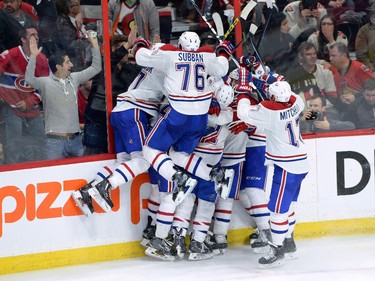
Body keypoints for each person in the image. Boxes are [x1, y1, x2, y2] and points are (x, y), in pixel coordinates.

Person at [133, 31, 234, 258]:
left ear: (179, 44)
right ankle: (214, 175)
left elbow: (140, 57)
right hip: (199, 117)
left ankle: (177, 177)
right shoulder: (207, 56)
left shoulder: (171, 55)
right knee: (180, 154)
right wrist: (223, 50)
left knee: (150, 148)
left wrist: (140, 43)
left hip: (178, 114)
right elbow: (222, 66)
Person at [71, 44, 166, 216]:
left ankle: (86, 191)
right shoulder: (163, 72)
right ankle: (105, 186)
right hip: (134, 113)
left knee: (123, 160)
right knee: (143, 160)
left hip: (119, 111)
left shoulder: (148, 69)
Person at [237, 81, 309, 268]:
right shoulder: (297, 102)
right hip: (301, 162)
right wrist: (265, 82)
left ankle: (277, 251)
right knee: (289, 207)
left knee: (277, 211)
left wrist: (244, 92)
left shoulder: (270, 112)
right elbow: (282, 99)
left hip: (286, 166)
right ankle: (289, 243)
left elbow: (243, 113)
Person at [25, 30, 102, 160]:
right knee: (52, 176)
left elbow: (96, 68)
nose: (71, 65)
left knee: (79, 175)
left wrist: (94, 44)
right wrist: (33, 57)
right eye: (67, 62)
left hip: (76, 140)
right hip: (54, 142)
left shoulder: (75, 78)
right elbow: (29, 79)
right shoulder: (45, 83)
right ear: (58, 66)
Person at [82, 27, 142, 155]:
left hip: (116, 119)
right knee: (93, 152)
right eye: (125, 49)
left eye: (129, 49)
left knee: (115, 154)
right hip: (97, 118)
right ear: (115, 50)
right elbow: (111, 60)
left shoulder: (130, 68)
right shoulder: (104, 64)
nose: (127, 52)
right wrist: (127, 44)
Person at [0, 22, 49, 164]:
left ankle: (41, 168)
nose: (36, 37)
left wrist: (29, 102)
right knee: (13, 142)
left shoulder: (42, 59)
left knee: (40, 140)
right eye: (32, 35)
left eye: (37, 34)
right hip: (11, 107)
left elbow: (44, 87)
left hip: (31, 107)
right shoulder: (10, 54)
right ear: (23, 39)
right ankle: (12, 171)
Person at [286, 41, 337, 109]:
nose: (313, 56)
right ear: (300, 56)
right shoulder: (292, 75)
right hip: (302, 113)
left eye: (314, 53)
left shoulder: (326, 72)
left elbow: (332, 98)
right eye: (308, 54)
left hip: (324, 110)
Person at [329, 42, 374, 112]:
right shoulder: (331, 71)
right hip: (345, 110)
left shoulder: (359, 68)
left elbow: (373, 86)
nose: (330, 59)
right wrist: (340, 98)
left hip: (364, 109)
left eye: (333, 56)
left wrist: (356, 97)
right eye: (330, 56)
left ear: (343, 56)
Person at [355, 4, 375, 72]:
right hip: (370, 67)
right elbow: (361, 55)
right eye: (372, 14)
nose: (374, 16)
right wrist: (371, 70)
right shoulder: (364, 30)